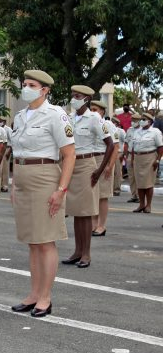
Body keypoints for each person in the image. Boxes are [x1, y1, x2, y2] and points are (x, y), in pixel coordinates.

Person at [9, 70, 75, 318]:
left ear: (45, 90)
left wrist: (61, 190)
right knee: (32, 242)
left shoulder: (56, 114)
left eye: (32, 85)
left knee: (46, 241)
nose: (26, 88)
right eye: (24, 84)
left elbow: (69, 155)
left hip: (46, 177)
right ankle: (34, 294)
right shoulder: (20, 115)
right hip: (24, 177)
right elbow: (18, 152)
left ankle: (45, 298)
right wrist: (15, 182)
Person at [63, 85, 113, 269]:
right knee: (76, 212)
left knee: (85, 213)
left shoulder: (94, 119)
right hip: (72, 165)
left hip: (87, 165)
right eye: (72, 95)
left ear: (86, 99)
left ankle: (86, 254)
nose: (73, 99)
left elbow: (110, 145)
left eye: (77, 96)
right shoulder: (69, 118)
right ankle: (77, 251)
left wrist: (99, 170)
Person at [90, 101, 119, 236]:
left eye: (95, 109)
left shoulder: (108, 125)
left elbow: (115, 147)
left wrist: (110, 166)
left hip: (104, 158)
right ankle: (94, 224)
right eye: (91, 109)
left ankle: (102, 226)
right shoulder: (89, 124)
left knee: (102, 196)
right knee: (93, 195)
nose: (92, 112)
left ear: (102, 111)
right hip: (91, 159)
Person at [131, 113, 163, 213]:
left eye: (143, 119)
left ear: (149, 121)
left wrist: (157, 160)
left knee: (148, 183)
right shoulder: (136, 132)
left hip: (150, 158)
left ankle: (148, 205)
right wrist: (132, 159)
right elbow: (133, 147)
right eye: (141, 119)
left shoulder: (155, 132)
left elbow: (160, 147)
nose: (141, 121)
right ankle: (141, 204)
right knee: (139, 183)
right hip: (138, 158)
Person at [123, 113, 142, 203]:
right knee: (131, 176)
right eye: (132, 120)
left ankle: (139, 196)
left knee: (138, 176)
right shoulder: (129, 130)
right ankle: (134, 195)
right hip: (130, 154)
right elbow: (126, 143)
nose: (133, 122)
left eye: (134, 121)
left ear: (139, 121)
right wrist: (126, 155)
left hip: (138, 155)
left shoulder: (142, 130)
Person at [111, 116, 125, 196]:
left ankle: (116, 189)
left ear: (117, 124)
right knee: (110, 171)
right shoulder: (109, 130)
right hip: (109, 152)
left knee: (117, 172)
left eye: (114, 122)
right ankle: (111, 188)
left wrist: (123, 153)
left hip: (118, 152)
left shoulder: (121, 131)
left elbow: (125, 141)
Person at [0, 114, 12, 192]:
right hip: (0, 149)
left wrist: (9, 152)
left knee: (5, 168)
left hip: (7, 148)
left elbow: (13, 141)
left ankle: (5, 185)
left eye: (2, 120)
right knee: (0, 168)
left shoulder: (8, 129)